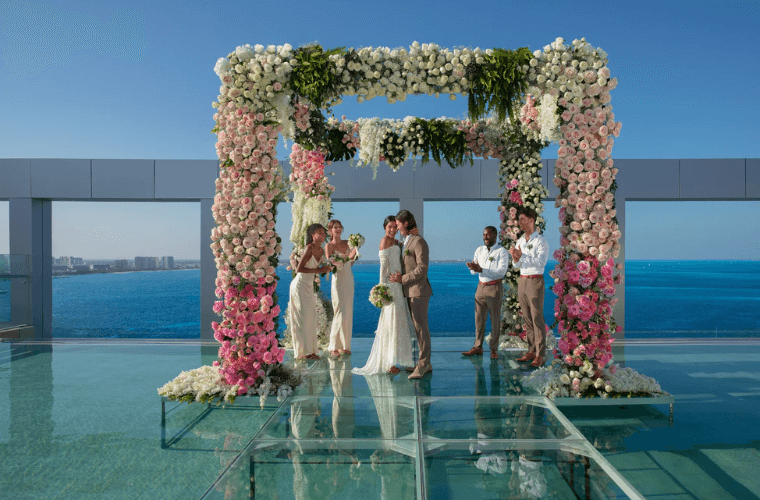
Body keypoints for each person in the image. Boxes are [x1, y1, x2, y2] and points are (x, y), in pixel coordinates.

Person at [353, 216, 415, 375]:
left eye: (395, 227)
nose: (392, 230)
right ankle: (389, 363)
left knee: (399, 324)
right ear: (384, 227)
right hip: (390, 288)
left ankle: (402, 360)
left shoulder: (396, 243)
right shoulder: (384, 241)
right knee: (390, 325)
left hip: (399, 286)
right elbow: (383, 268)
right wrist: (382, 289)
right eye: (389, 227)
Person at [390, 210, 433, 380]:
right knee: (417, 328)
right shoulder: (406, 241)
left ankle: (423, 365)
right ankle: (425, 363)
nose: (396, 226)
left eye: (398, 224)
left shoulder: (419, 241)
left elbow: (422, 268)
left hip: (419, 291)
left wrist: (403, 279)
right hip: (408, 292)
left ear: (405, 223)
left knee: (421, 329)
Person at [508, 208, 549, 368]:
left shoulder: (540, 241)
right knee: (527, 319)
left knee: (537, 318)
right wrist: (515, 257)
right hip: (523, 281)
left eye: (523, 219)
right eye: (519, 219)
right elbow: (516, 265)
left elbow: (541, 263)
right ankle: (531, 351)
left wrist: (522, 256)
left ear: (532, 220)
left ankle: (540, 354)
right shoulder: (520, 241)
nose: (520, 222)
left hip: (535, 281)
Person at [463, 226, 510, 359]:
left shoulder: (502, 252)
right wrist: (473, 268)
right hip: (480, 287)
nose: (485, 237)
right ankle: (477, 347)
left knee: (494, 319)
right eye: (484, 235)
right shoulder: (479, 250)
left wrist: (481, 269)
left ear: (495, 236)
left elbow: (501, 272)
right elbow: (474, 270)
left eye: (488, 235)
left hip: (494, 288)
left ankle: (493, 349)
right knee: (479, 319)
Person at [289, 223, 330, 360]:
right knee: (301, 319)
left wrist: (327, 267)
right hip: (299, 285)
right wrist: (320, 270)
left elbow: (316, 267)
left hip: (308, 286)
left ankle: (311, 351)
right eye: (320, 233)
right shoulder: (309, 248)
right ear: (313, 235)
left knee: (310, 317)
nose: (323, 235)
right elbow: (299, 269)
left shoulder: (321, 251)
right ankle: (301, 353)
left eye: (324, 233)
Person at [325, 219, 357, 357]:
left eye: (339, 227)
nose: (338, 229)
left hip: (348, 278)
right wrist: (347, 258)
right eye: (335, 227)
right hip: (337, 279)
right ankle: (333, 346)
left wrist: (353, 256)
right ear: (330, 230)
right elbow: (331, 264)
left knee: (348, 310)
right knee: (339, 310)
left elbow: (351, 264)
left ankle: (345, 346)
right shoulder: (328, 246)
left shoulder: (348, 243)